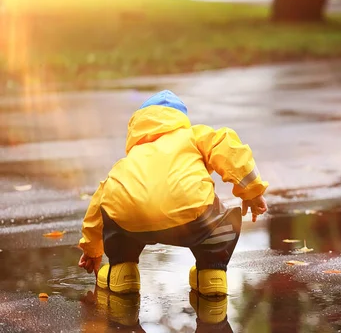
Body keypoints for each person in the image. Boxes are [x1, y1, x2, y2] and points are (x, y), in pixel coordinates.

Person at [77, 90, 268, 296]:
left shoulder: (130, 158)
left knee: (114, 207)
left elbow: (99, 203)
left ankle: (122, 271)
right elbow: (228, 148)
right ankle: (212, 272)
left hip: (130, 222)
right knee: (218, 222)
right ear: (180, 119)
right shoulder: (192, 135)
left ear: (137, 125)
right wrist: (252, 191)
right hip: (192, 217)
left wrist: (92, 251)